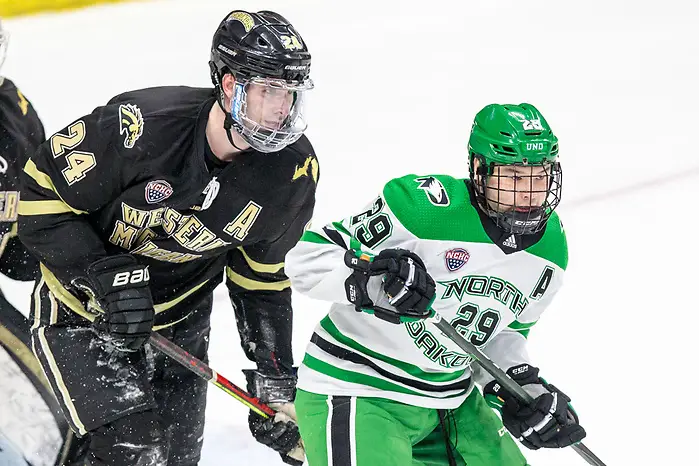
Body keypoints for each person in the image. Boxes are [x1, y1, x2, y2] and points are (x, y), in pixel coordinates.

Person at [17, 9, 316, 466]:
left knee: (173, 461)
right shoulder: (139, 127)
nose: (283, 108)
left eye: (291, 93)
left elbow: (260, 280)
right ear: (232, 86)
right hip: (81, 316)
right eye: (270, 90)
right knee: (136, 453)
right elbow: (40, 200)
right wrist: (108, 279)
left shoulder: (291, 174)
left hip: (182, 321)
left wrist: (274, 386)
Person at [285, 103, 587, 466]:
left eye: (539, 177)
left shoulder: (551, 251)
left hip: (450, 401)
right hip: (357, 386)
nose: (529, 194)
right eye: (514, 178)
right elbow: (304, 261)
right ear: (480, 170)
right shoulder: (423, 210)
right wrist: (373, 283)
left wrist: (521, 385)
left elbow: (505, 332)